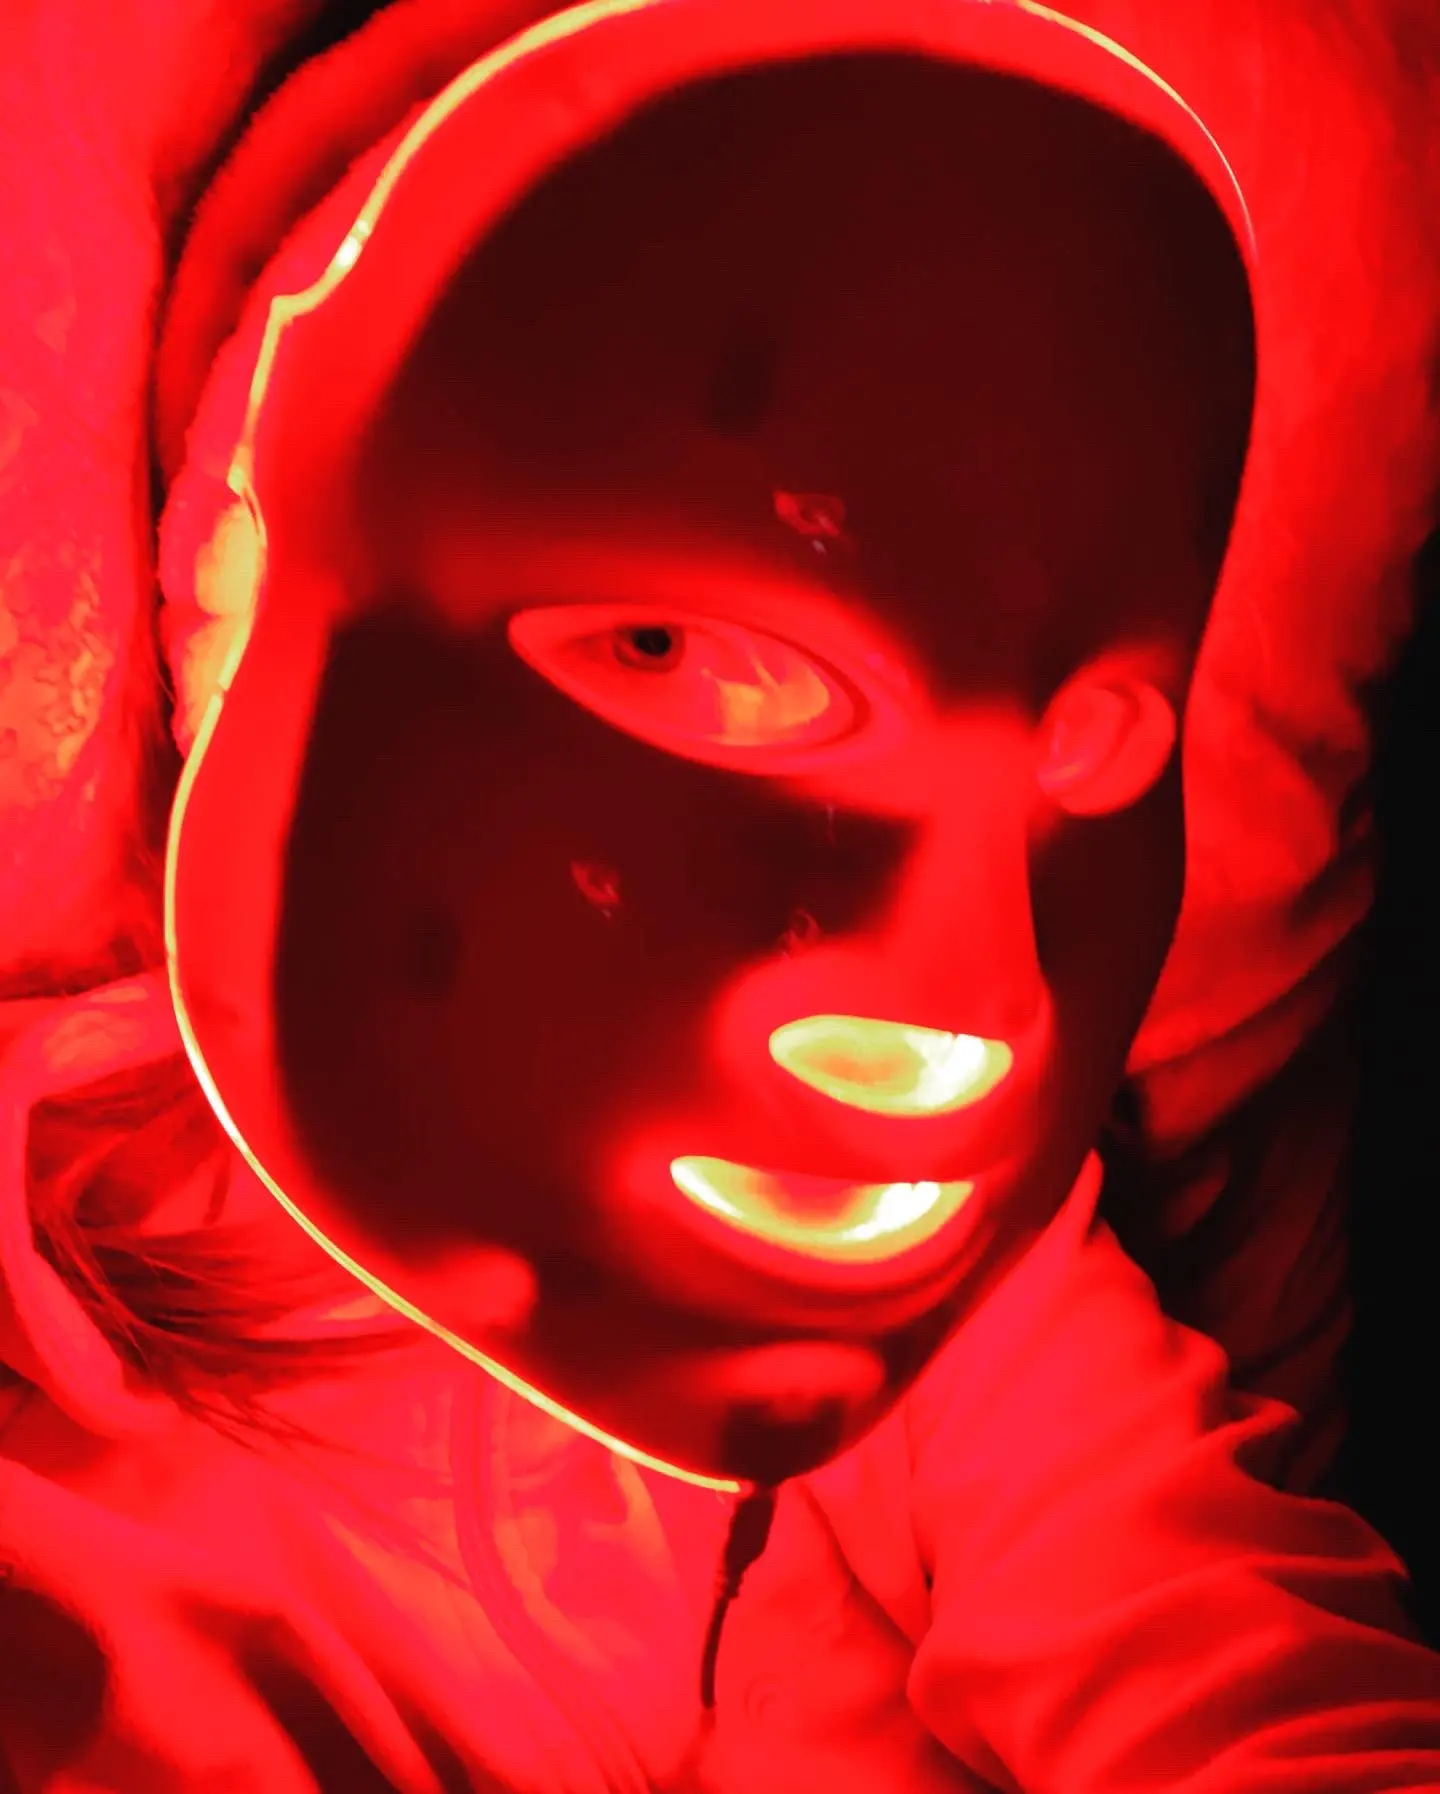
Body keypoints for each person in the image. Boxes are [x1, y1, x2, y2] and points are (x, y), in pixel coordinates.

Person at [4, 3, 1440, 1791]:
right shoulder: (49, 1246)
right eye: (688, 656)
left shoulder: (962, 1304)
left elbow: (1227, 1659)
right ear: (244, 608)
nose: (967, 989)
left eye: (1084, 745)